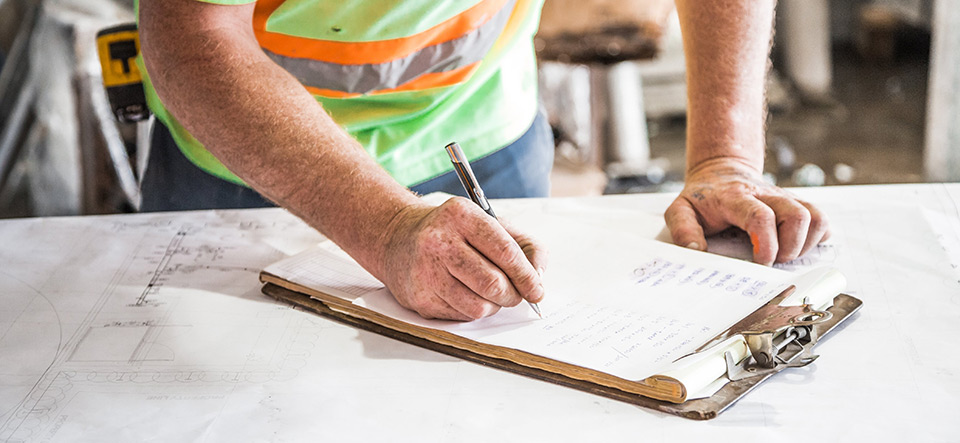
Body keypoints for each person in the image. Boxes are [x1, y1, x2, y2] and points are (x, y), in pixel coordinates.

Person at [138, 0, 829, 321]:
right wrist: (380, 225)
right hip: (252, 168)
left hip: (484, 137)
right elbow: (191, 32)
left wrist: (725, 159)